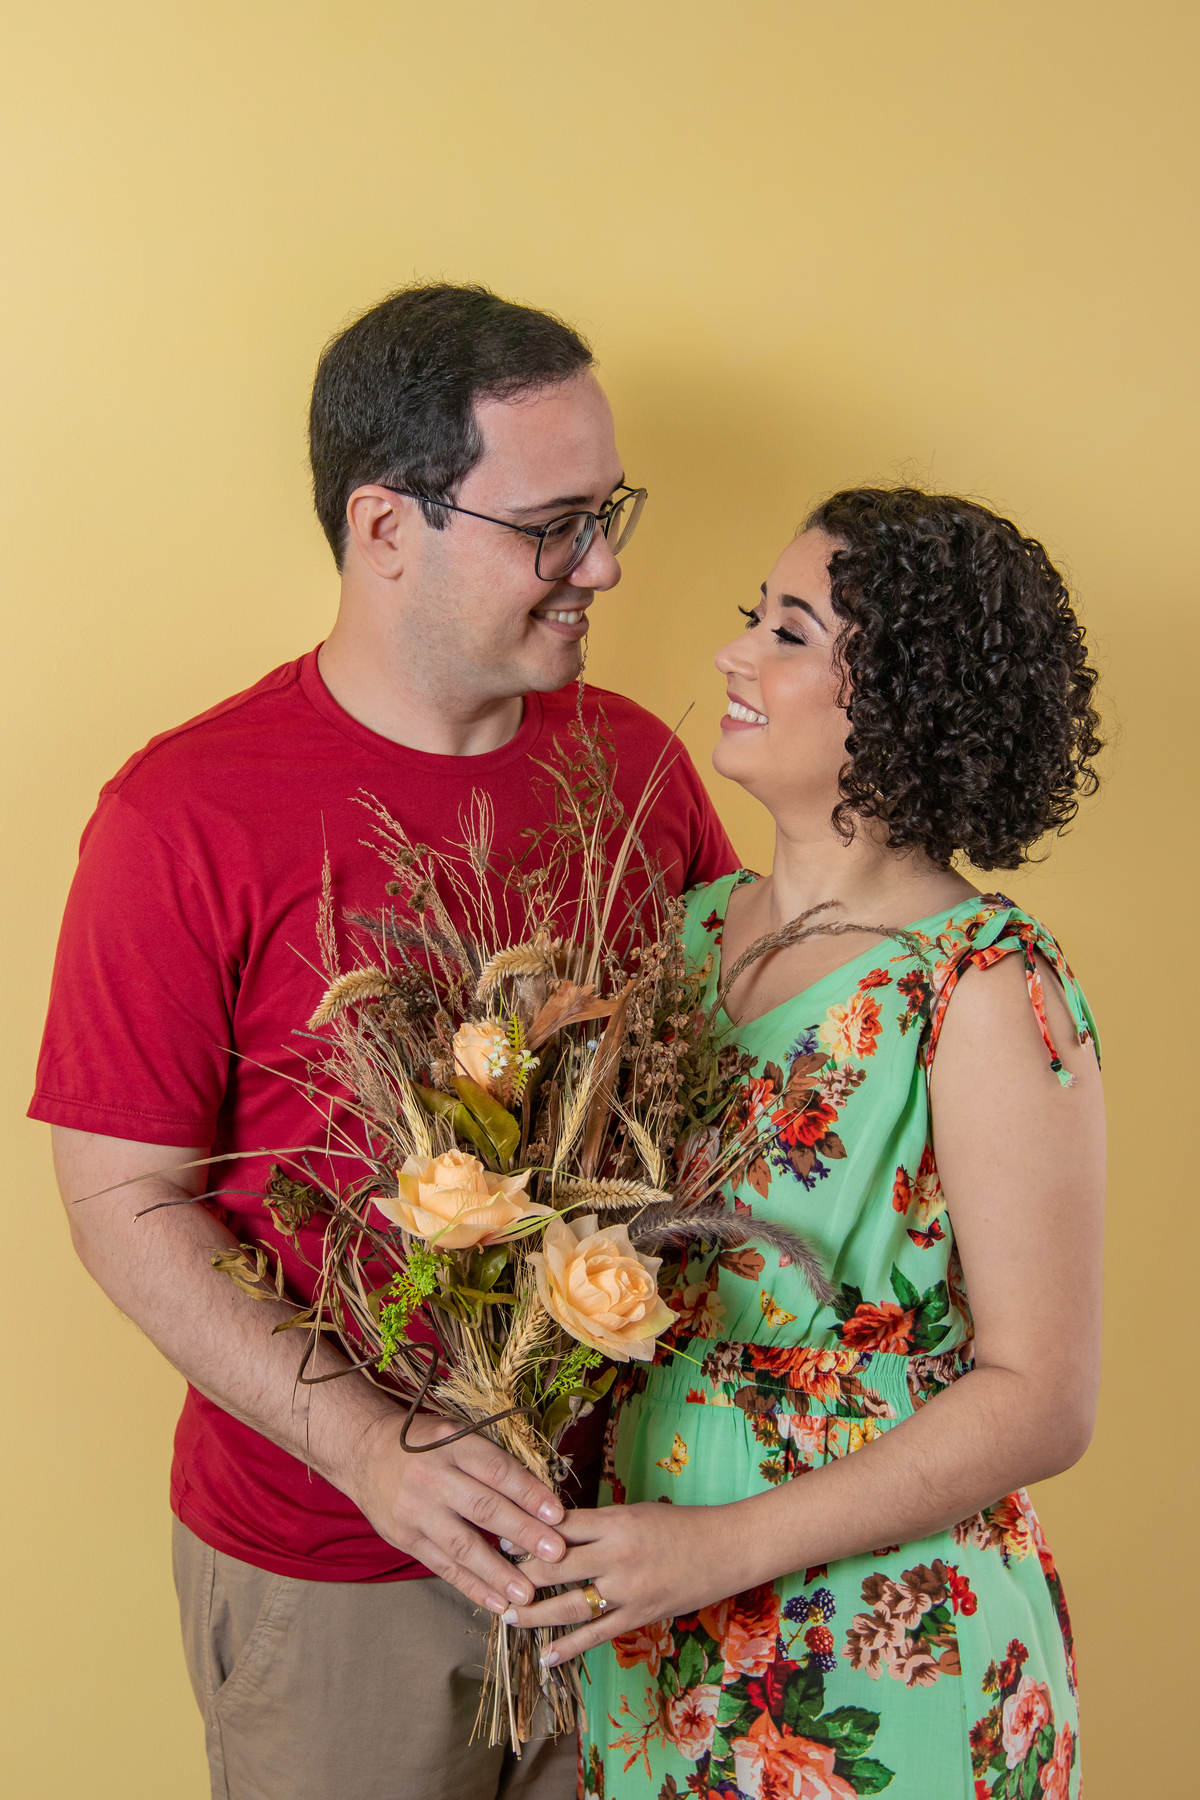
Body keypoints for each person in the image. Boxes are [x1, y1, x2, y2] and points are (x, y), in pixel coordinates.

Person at [30, 283, 737, 1800]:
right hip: (332, 1573)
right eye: (553, 524)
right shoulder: (181, 816)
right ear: (385, 526)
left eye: (607, 511)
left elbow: (723, 1107)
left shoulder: (641, 768)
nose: (602, 564)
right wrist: (366, 1447)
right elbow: (119, 1201)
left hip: (632, 1561)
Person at [499, 487, 1105, 1800]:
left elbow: (1043, 1395)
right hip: (656, 1632)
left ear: (895, 695)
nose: (733, 655)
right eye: (751, 621)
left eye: (786, 630)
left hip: (883, 1641)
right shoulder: (687, 931)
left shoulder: (988, 987)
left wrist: (718, 1550)